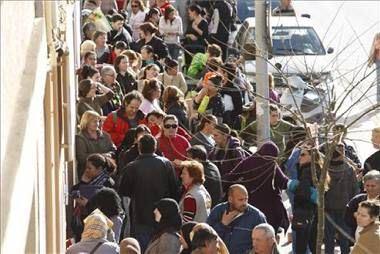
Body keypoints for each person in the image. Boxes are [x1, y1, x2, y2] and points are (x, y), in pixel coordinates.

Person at [118, 134, 180, 251]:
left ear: (139, 148)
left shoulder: (131, 167)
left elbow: (123, 192)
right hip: (164, 216)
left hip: (141, 216)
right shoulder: (166, 164)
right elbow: (174, 189)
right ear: (155, 147)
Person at [223, 141, 289, 234]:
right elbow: (283, 182)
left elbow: (231, 177)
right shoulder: (271, 164)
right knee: (268, 233)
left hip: (251, 203)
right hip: (269, 207)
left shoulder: (248, 161)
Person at [207, 184, 267, 254]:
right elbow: (207, 238)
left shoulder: (257, 216)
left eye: (246, 199)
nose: (244, 203)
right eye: (240, 200)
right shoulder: (218, 211)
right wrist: (222, 224)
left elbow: (264, 242)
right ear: (230, 199)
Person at [70, 154, 117, 241]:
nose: (86, 170)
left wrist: (87, 203)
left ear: (99, 169)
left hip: (100, 224)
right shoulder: (89, 180)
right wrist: (83, 182)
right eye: (86, 167)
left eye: (89, 168)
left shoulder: (107, 183)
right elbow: (73, 190)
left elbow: (106, 207)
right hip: (85, 220)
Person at [324, 143, 358, 254]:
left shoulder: (324, 169)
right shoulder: (349, 169)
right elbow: (355, 190)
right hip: (345, 207)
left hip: (328, 208)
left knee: (329, 238)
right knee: (344, 237)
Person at [75, 111, 116, 177]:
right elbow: (82, 158)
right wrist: (102, 157)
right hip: (88, 174)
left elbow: (113, 150)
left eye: (98, 121)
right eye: (94, 121)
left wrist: (109, 154)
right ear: (86, 122)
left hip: (106, 172)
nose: (97, 124)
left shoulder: (105, 135)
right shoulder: (80, 138)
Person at [345, 170, 380, 239]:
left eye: (373, 186)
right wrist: (356, 216)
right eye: (367, 185)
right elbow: (347, 218)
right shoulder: (357, 200)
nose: (370, 188)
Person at [183, 4, 209, 69]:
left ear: (194, 12)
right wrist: (190, 35)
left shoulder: (204, 22)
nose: (189, 14)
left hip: (199, 46)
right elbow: (185, 33)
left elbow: (205, 35)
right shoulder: (191, 21)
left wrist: (195, 28)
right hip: (189, 45)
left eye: (189, 12)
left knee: (198, 63)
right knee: (189, 62)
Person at [220, 62, 243, 129]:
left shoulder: (234, 90)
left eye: (221, 72)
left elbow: (239, 109)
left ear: (226, 74)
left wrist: (227, 115)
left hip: (229, 124)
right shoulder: (219, 87)